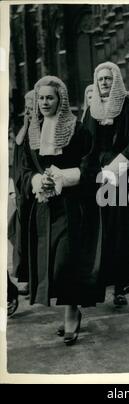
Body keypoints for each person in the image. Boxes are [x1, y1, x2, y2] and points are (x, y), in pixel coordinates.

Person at [22, 75, 101, 346]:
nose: (45, 102)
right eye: (41, 98)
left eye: (50, 98)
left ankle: (70, 312)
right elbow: (24, 169)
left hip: (71, 206)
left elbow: (91, 167)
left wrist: (64, 176)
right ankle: (71, 307)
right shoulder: (32, 131)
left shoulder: (77, 131)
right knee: (50, 264)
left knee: (65, 263)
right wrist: (36, 180)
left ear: (60, 100)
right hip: (44, 207)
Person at [82, 61, 129, 306]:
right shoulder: (91, 110)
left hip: (126, 179)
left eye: (108, 78)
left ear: (116, 80)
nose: (104, 83)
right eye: (100, 79)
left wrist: (115, 169)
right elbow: (86, 146)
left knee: (123, 234)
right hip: (98, 180)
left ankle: (121, 285)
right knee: (102, 233)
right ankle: (100, 282)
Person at [8, 90, 35, 297]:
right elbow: (17, 145)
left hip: (36, 189)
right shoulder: (24, 127)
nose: (27, 107)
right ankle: (26, 276)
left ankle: (34, 278)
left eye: (30, 102)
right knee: (18, 232)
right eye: (26, 103)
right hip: (22, 188)